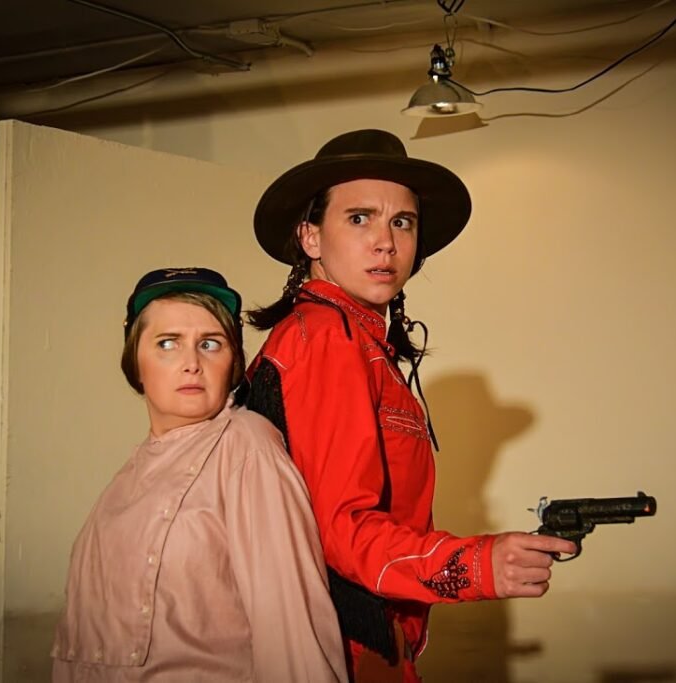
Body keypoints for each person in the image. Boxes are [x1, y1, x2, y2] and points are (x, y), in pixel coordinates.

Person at [244, 130, 578, 682]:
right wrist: (477, 565)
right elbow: (340, 530)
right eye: (359, 218)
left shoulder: (355, 339)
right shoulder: (328, 337)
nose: (386, 242)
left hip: (365, 628)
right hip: (345, 639)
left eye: (402, 222)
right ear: (310, 236)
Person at [51, 267, 348, 683]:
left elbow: (289, 624)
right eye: (167, 343)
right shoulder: (127, 477)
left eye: (210, 344)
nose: (192, 363)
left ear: (233, 362)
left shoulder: (246, 446)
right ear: (135, 361)